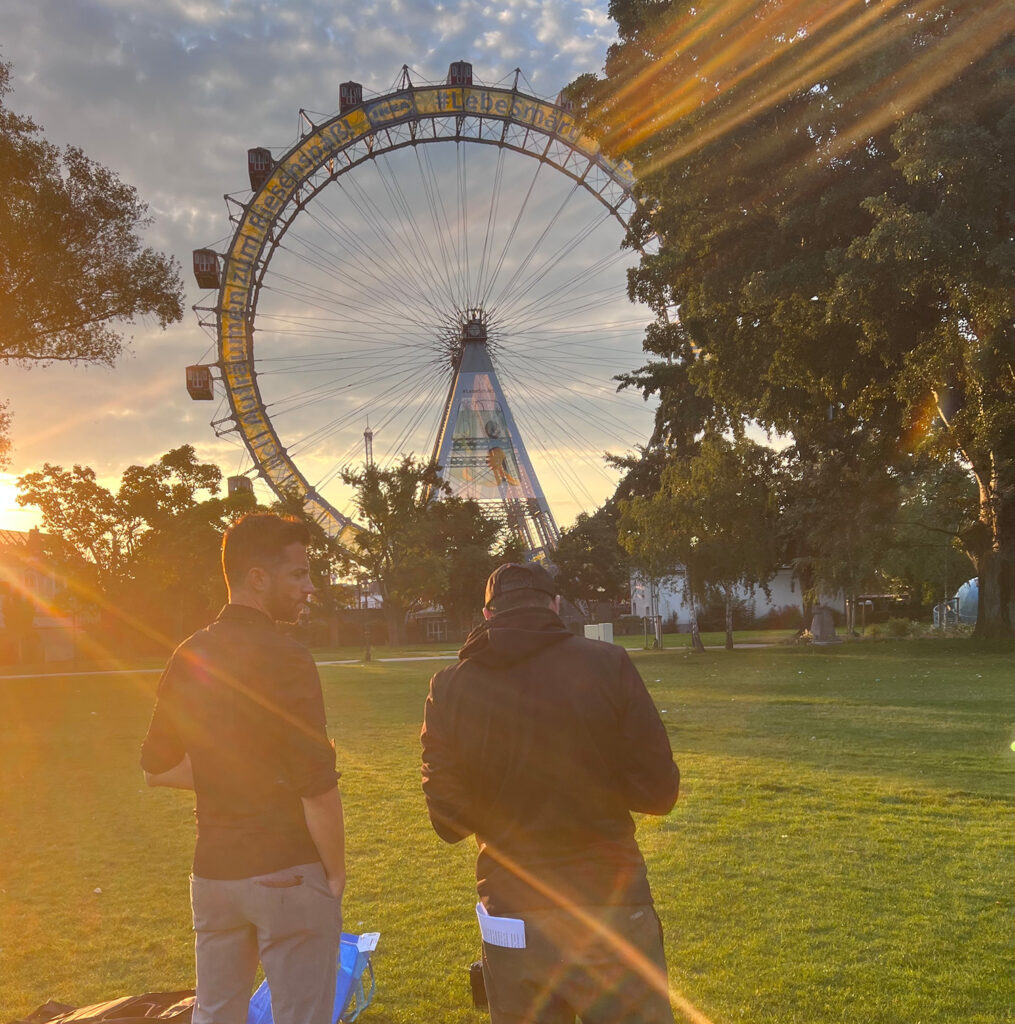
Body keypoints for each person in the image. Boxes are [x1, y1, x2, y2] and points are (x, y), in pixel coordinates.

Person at [420, 562, 680, 1024]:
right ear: (555, 606)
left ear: (487, 613)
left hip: (512, 910)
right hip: (609, 901)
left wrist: (505, 797)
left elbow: (448, 821)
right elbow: (659, 791)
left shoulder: (450, 686)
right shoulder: (608, 664)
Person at [141, 513, 345, 1024]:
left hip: (213, 875)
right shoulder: (288, 657)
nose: (309, 586)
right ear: (258, 578)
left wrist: (224, 772)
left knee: (214, 1014)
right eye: (299, 573)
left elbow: (156, 767)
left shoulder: (190, 653)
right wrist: (335, 874)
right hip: (287, 872)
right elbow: (316, 786)